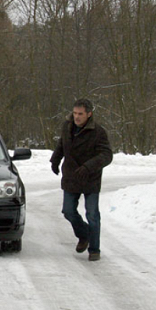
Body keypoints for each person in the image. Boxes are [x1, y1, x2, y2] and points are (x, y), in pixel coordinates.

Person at [50, 98, 113, 261]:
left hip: (90, 178)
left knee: (92, 214)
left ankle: (94, 249)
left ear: (89, 114)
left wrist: (88, 167)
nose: (77, 117)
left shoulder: (98, 132)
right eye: (75, 113)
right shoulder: (67, 127)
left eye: (80, 114)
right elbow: (61, 145)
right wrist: (55, 160)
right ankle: (84, 235)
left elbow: (106, 155)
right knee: (68, 211)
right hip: (71, 177)